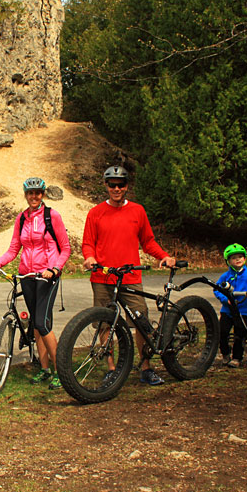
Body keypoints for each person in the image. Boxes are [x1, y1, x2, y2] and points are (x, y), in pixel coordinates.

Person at [82, 165, 176, 386]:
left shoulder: (137, 211)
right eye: (112, 185)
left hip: (131, 277)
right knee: (106, 324)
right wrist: (89, 258)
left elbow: (148, 241)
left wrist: (164, 256)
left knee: (140, 321)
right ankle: (112, 369)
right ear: (105, 185)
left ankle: (145, 367)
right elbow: (88, 243)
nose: (116, 188)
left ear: (126, 186)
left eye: (121, 184)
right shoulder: (95, 212)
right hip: (103, 277)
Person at [0, 177, 71, 390]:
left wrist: (54, 269)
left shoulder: (52, 216)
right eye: (30, 193)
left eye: (38, 193)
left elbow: (66, 248)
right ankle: (44, 369)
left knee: (43, 323)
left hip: (47, 277)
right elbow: (14, 248)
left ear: (43, 194)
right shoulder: (22, 218)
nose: (34, 197)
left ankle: (62, 372)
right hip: (28, 276)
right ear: (25, 194)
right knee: (35, 323)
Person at [213, 243, 247, 368]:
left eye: (240, 257)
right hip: (227, 309)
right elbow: (216, 289)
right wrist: (225, 299)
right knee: (223, 332)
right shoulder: (226, 276)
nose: (237, 259)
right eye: (233, 258)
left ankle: (237, 357)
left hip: (243, 310)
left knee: (239, 334)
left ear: (244, 258)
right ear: (228, 261)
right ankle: (225, 354)